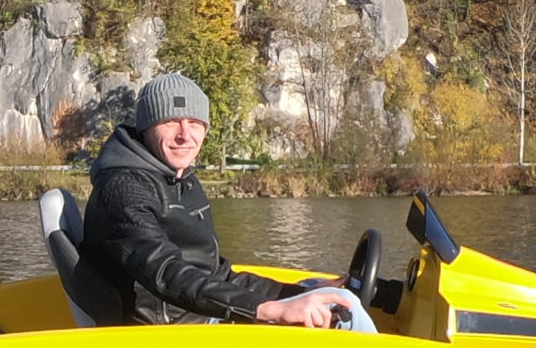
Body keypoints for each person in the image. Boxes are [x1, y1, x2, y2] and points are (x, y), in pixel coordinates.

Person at [82, 73, 369, 329]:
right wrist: (269, 310)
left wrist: (297, 293)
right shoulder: (123, 189)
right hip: (174, 334)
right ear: (146, 127)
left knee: (341, 300)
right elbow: (166, 273)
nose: (185, 135)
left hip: (197, 313)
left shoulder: (179, 179)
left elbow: (217, 275)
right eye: (170, 122)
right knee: (350, 317)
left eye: (194, 123)